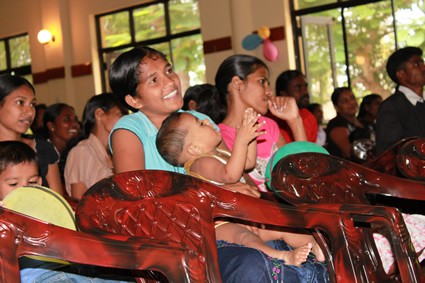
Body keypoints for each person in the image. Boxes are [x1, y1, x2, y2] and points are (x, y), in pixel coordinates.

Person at [108, 46, 326, 282]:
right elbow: (136, 205)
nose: (170, 81)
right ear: (134, 99)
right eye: (154, 80)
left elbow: (234, 174)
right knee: (251, 264)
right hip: (180, 240)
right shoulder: (129, 131)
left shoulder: (200, 119)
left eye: (168, 70)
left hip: (232, 219)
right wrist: (212, 197)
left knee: (305, 235)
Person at [157, 110, 325, 266]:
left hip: (244, 216)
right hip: (222, 223)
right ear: (194, 148)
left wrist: (250, 137)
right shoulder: (199, 163)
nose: (207, 121)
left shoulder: (218, 154)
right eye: (200, 124)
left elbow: (248, 163)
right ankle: (283, 256)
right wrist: (241, 140)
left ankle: (318, 246)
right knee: (245, 237)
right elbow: (230, 175)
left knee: (285, 229)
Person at [0, 140, 135, 283]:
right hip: (38, 275)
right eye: (14, 184)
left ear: (40, 182)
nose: (24, 189)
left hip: (74, 265)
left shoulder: (48, 207)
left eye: (32, 182)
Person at [215, 55, 307, 192]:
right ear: (237, 84)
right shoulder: (219, 138)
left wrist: (295, 120)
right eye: (262, 81)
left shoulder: (268, 125)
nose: (269, 92)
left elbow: (305, 171)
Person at [0, 74, 62, 195]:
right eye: (20, 102)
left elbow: (58, 203)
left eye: (32, 104)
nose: (30, 112)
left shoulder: (42, 148)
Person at [64, 93, 126, 200]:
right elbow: (79, 201)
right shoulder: (81, 152)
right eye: (120, 114)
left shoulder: (117, 151)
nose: (125, 120)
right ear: (99, 114)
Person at [375, 46, 425, 154]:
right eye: (416, 65)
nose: (423, 68)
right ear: (401, 74)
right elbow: (393, 149)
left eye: (422, 63)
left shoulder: (421, 102)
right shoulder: (391, 107)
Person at [268, 70, 318, 143]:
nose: (305, 92)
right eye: (298, 87)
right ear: (283, 94)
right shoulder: (271, 121)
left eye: (306, 86)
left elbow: (308, 151)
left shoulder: (308, 116)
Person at [325, 87, 373, 162]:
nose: (351, 102)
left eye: (352, 98)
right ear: (336, 107)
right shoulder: (336, 124)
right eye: (345, 101)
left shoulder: (364, 122)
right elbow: (350, 153)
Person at [43, 103, 81, 183]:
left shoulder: (77, 151)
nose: (76, 124)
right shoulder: (42, 153)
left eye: (75, 120)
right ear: (51, 126)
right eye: (67, 119)